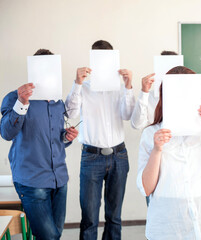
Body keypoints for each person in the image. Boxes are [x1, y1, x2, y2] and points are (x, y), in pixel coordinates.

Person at [137, 66, 201, 240]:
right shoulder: (151, 134)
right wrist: (157, 150)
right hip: (168, 225)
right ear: (165, 96)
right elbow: (147, 188)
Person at [0, 49, 78, 240]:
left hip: (59, 179)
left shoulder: (58, 102)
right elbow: (6, 133)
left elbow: (54, 140)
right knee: (49, 237)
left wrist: (66, 138)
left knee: (55, 234)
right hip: (31, 180)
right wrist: (21, 102)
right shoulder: (14, 97)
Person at [65, 40, 135, 240]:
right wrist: (77, 83)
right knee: (89, 217)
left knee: (115, 216)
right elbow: (70, 112)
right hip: (91, 157)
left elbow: (129, 115)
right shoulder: (84, 87)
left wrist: (129, 86)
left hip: (119, 156)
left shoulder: (120, 87)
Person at [131, 50, 178, 130]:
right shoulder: (148, 97)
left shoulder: (187, 97)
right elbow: (137, 125)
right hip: (153, 141)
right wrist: (144, 92)